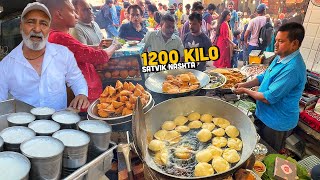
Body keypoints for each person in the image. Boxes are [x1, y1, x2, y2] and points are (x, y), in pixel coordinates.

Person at [0, 2, 89, 111]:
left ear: (49, 29)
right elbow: (1, 103)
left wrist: (81, 93)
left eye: (43, 24)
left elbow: (76, 79)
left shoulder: (63, 54)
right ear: (21, 27)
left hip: (61, 123)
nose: (37, 29)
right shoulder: (5, 65)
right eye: (31, 22)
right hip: (24, 127)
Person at [234, 22, 307, 152]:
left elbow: (268, 98)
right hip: (264, 115)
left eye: (281, 41)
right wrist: (244, 84)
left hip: (277, 122)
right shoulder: (280, 56)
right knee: (258, 146)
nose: (275, 44)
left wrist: (245, 90)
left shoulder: (293, 68)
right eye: (276, 40)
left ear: (294, 44)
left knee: (269, 152)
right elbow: (263, 77)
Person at [39, 0, 120, 103]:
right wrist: (114, 45)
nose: (76, 16)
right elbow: (98, 57)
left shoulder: (53, 35)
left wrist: (96, 47)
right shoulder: (58, 37)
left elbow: (78, 50)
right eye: (73, 11)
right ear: (59, 14)